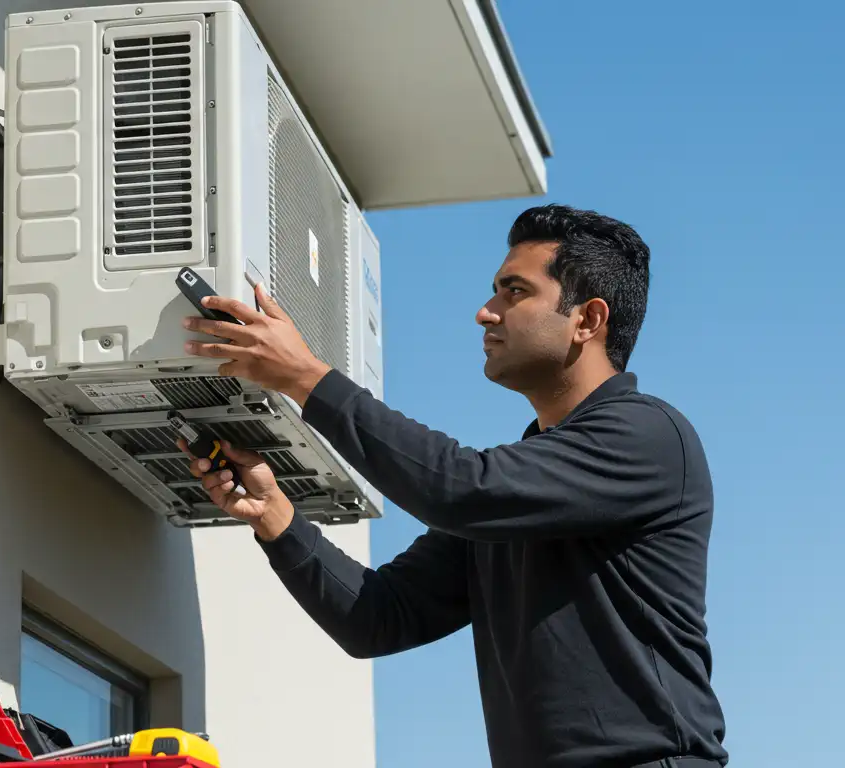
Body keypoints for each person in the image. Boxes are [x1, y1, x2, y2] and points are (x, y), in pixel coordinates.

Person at [177, 204, 728, 767]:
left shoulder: (647, 436)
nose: (485, 313)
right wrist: (277, 519)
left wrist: (304, 377)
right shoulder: (518, 491)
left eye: (515, 292)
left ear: (587, 320)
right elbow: (376, 617)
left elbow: (463, 490)